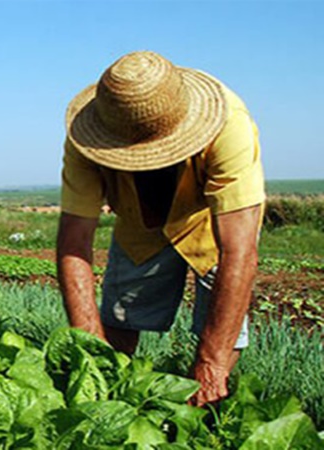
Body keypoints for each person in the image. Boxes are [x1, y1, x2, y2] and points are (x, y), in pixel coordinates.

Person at [57, 51, 264, 407]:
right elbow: (74, 240)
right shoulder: (86, 139)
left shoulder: (230, 124)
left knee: (218, 350)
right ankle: (115, 400)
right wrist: (90, 349)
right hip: (139, 222)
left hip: (209, 223)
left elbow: (240, 250)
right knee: (119, 320)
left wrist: (211, 364)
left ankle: (205, 413)